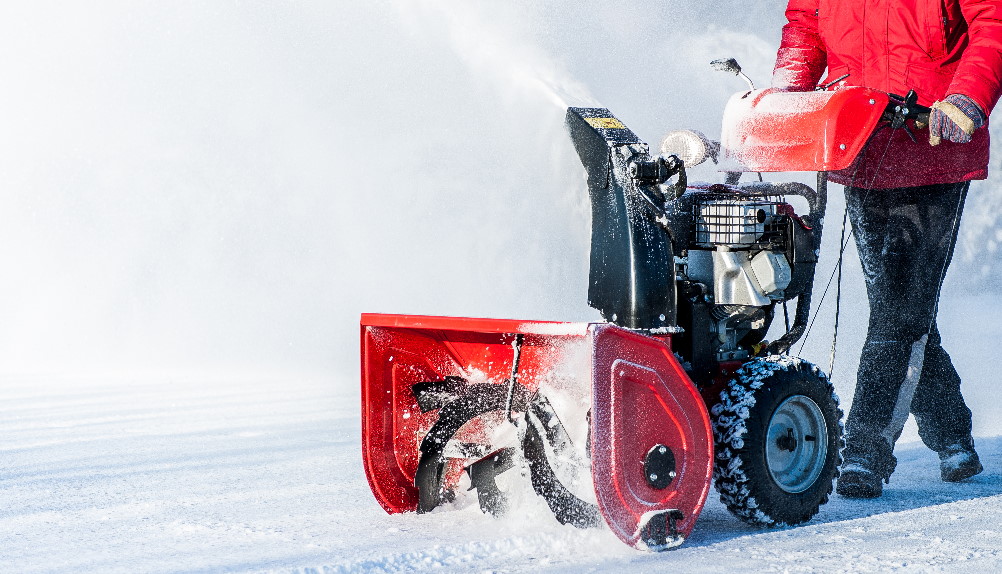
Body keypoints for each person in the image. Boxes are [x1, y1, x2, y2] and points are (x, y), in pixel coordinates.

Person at [772, 1, 1002, 498]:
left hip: (934, 143)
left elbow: (993, 22)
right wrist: (788, 95)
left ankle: (865, 450)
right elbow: (806, 26)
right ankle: (952, 435)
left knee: (898, 312)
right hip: (859, 142)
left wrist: (967, 99)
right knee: (900, 308)